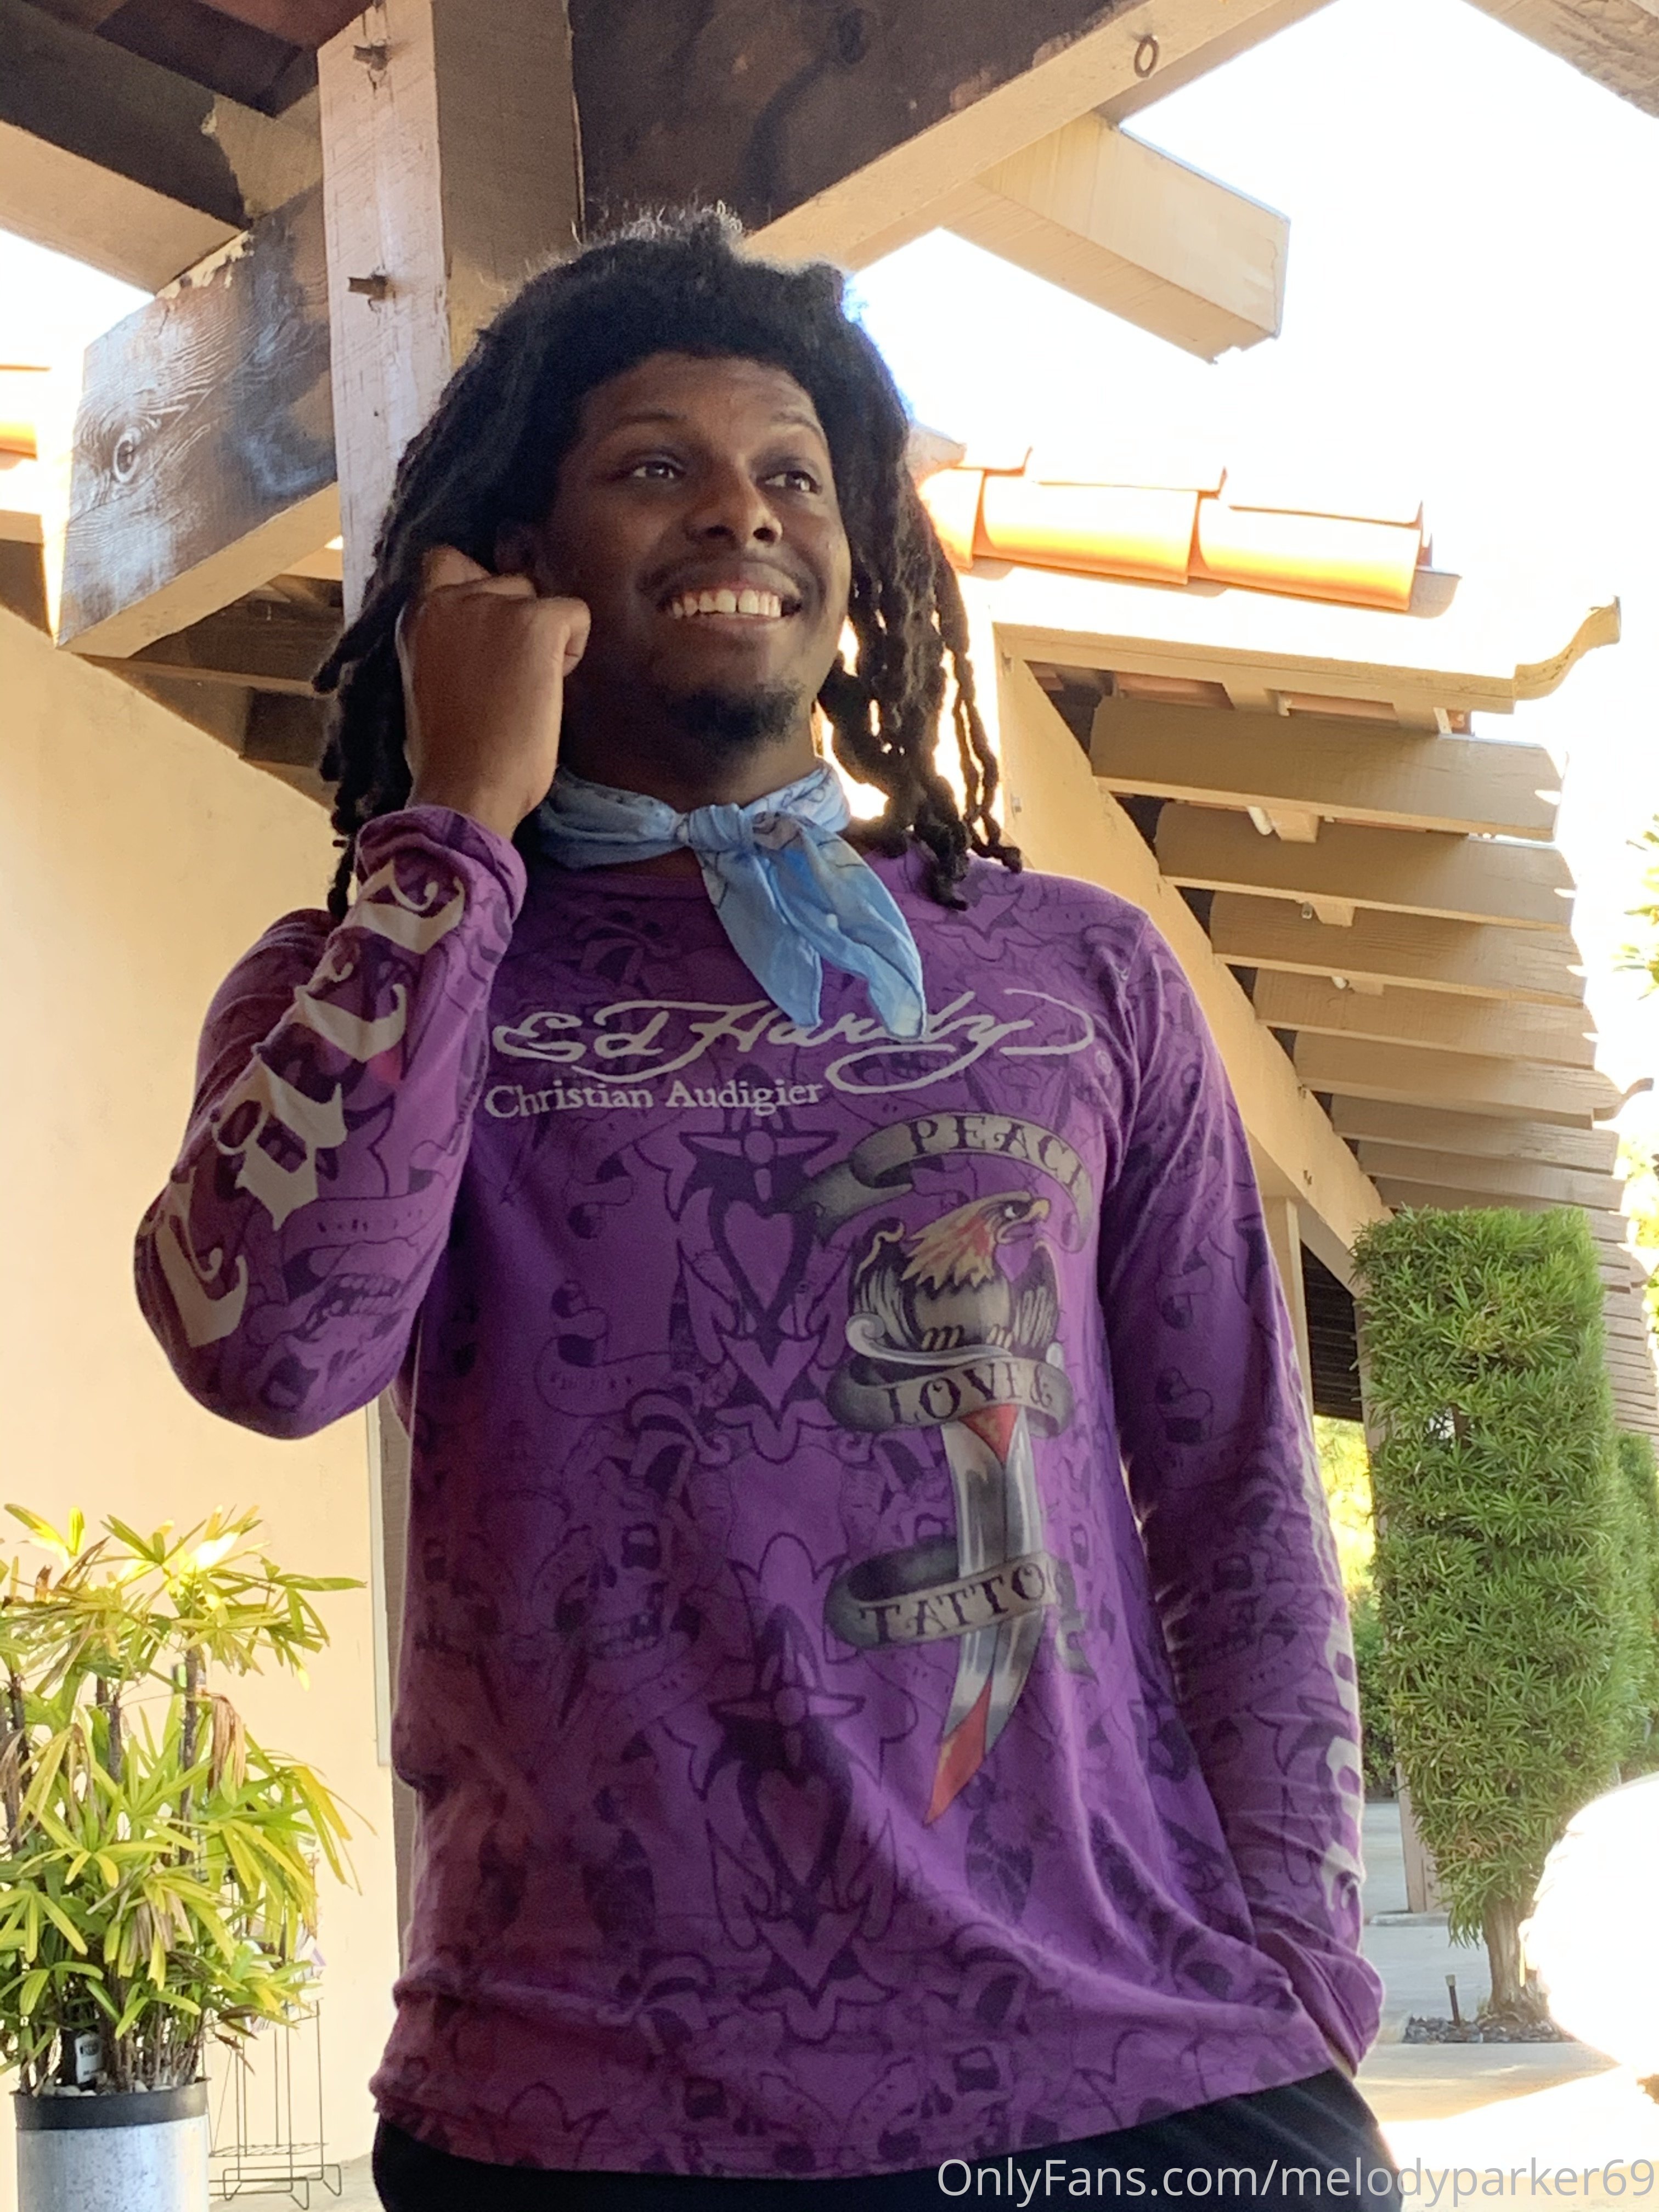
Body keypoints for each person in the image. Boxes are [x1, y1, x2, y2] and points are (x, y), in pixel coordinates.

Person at [136, 211, 1395, 2209]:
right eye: (656, 465)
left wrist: (1305, 1956)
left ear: (857, 557)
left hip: (1141, 2070)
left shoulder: (1077, 971)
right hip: (586, 2102)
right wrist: (452, 832)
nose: (742, 512)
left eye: (793, 475)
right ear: (517, 565)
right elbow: (271, 1348)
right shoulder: (368, 976)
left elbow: (1236, 1483)